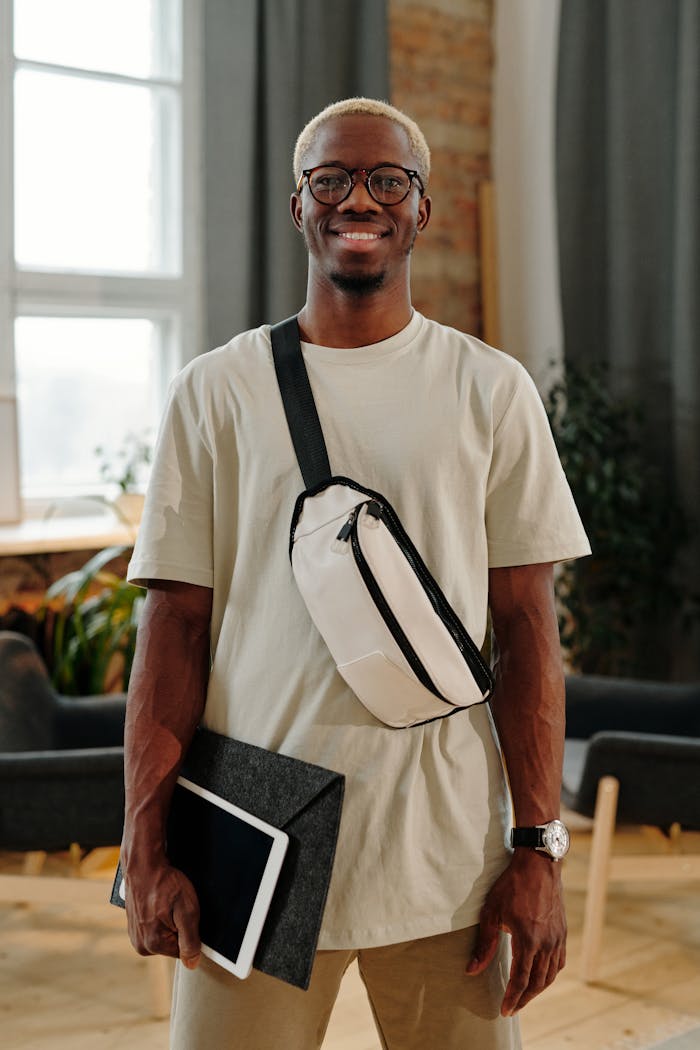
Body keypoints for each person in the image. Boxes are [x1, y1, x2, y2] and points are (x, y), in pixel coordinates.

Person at [121, 97, 591, 1050]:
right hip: (256, 835)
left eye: (387, 180)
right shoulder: (216, 390)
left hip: (445, 850)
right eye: (331, 179)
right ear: (298, 205)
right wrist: (144, 837)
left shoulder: (490, 390)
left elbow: (526, 631)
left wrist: (539, 846)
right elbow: (173, 626)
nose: (359, 200)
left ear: (423, 209)